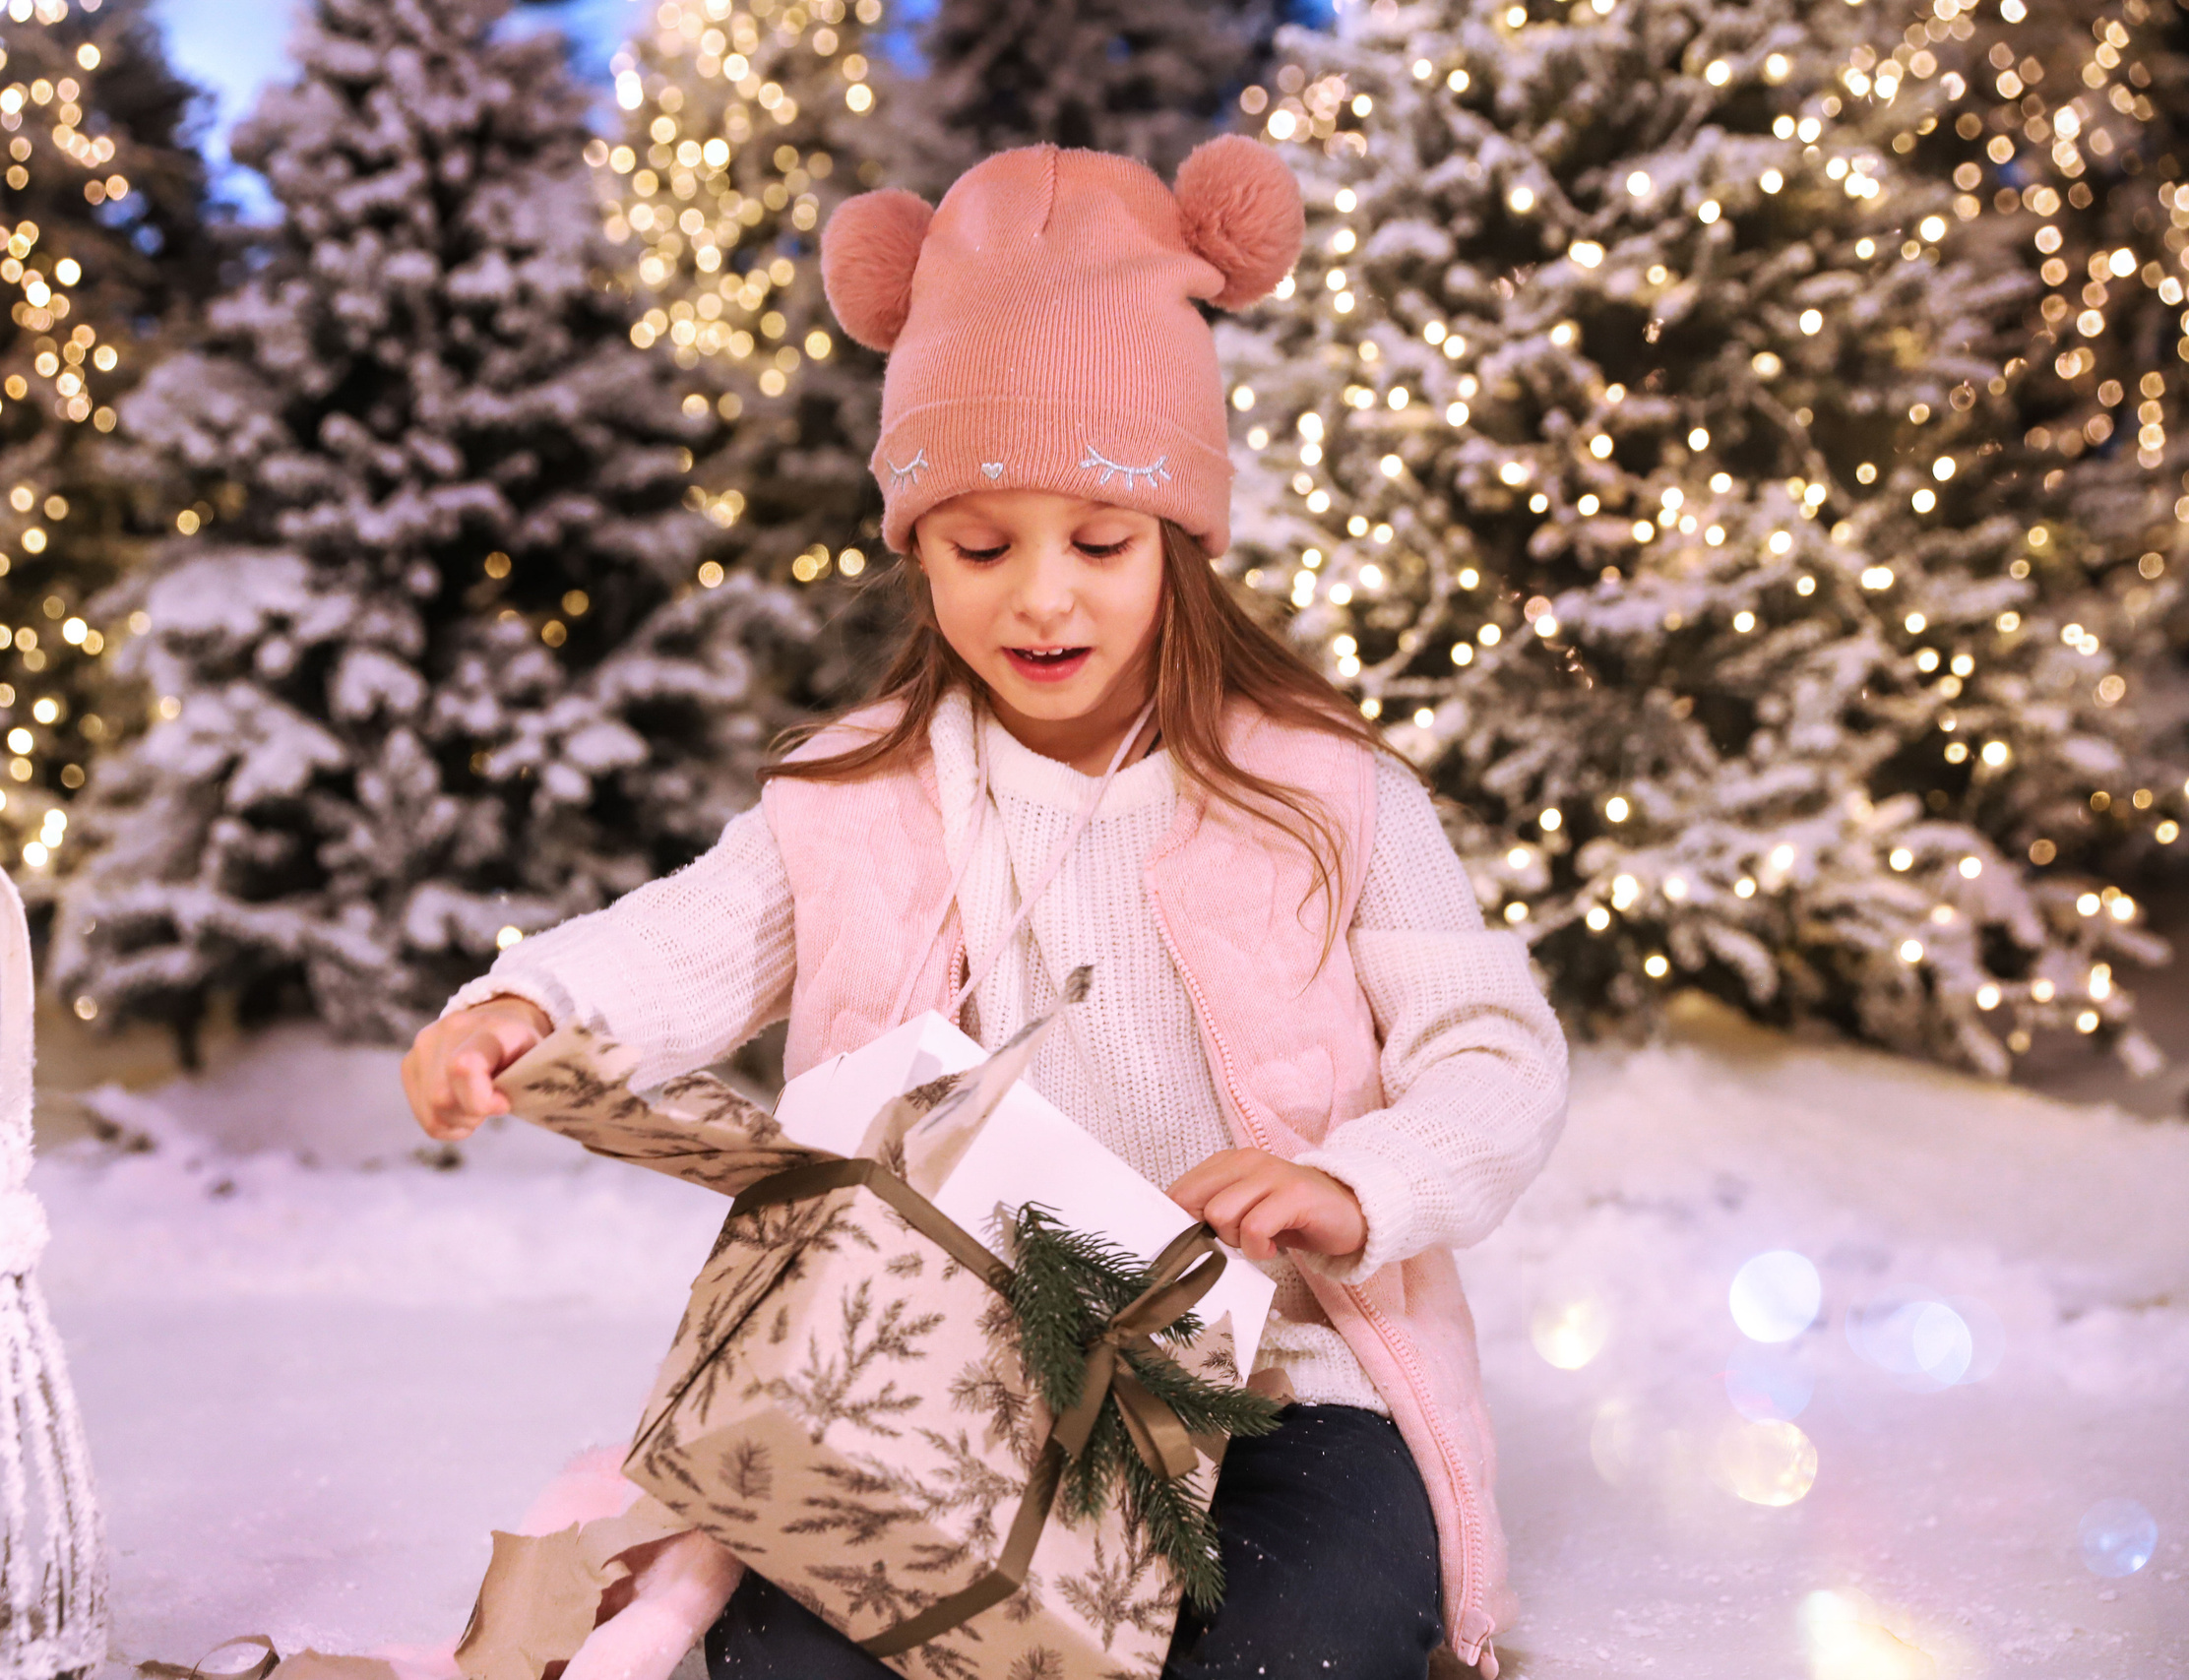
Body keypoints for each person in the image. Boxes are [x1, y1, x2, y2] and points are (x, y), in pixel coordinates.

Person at [403, 135, 1570, 1680]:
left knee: (1288, 1649)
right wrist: (531, 1007)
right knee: (794, 1659)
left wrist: (1354, 1187)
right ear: (914, 548)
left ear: (1183, 544)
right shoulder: (855, 793)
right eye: (978, 544)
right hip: (935, 1385)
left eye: (1100, 543)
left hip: (1283, 1392)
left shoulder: (1326, 790)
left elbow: (1493, 1049)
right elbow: (692, 938)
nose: (1041, 598)